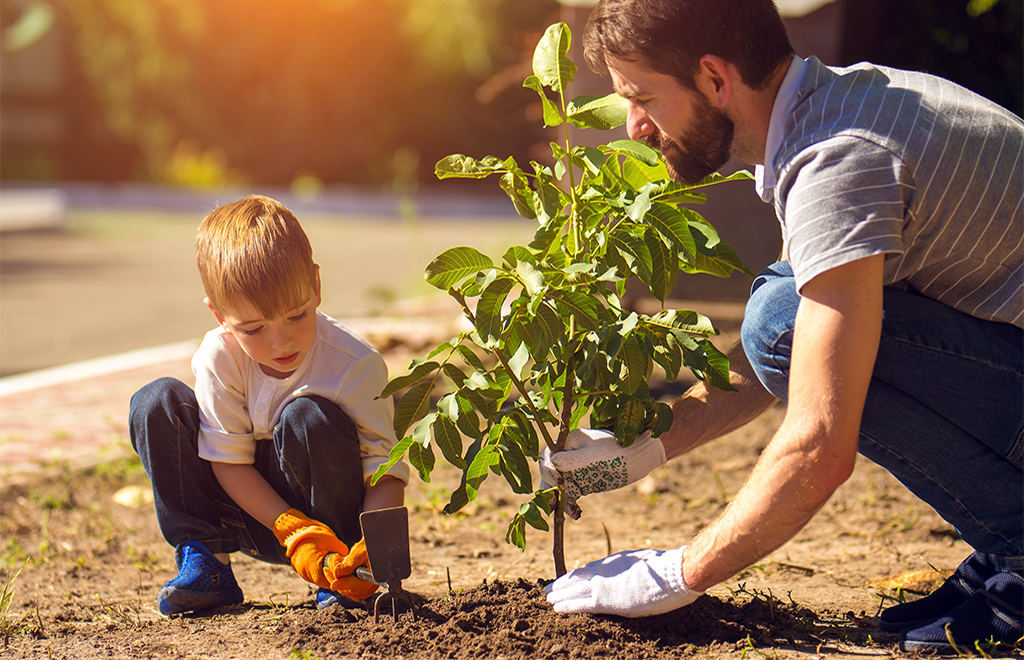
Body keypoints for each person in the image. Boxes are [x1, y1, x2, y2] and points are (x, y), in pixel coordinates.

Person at [541, 0, 1023, 653]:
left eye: (642, 97)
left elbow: (819, 441)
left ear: (715, 78)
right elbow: (804, 352)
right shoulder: (832, 109)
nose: (633, 128)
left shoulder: (837, 161)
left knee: (777, 316)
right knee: (782, 311)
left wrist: (677, 573)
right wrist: (648, 447)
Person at [129, 194, 408, 616]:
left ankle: (340, 579)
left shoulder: (354, 366)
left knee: (307, 416)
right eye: (254, 328)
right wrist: (292, 530)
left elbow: (384, 470)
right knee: (155, 401)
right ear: (219, 315)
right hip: (251, 519)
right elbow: (229, 462)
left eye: (297, 316)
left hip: (330, 533)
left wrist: (373, 544)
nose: (281, 343)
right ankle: (207, 563)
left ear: (316, 285)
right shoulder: (219, 357)